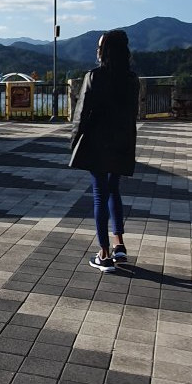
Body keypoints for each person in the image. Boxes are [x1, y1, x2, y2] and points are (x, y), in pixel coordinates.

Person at [70, 30, 140, 273]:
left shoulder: (94, 76)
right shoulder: (131, 79)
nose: (97, 50)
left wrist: (74, 141)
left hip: (97, 144)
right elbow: (133, 116)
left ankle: (104, 253)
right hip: (121, 143)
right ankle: (119, 244)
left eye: (99, 46)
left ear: (104, 51)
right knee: (114, 191)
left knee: (100, 194)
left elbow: (81, 114)